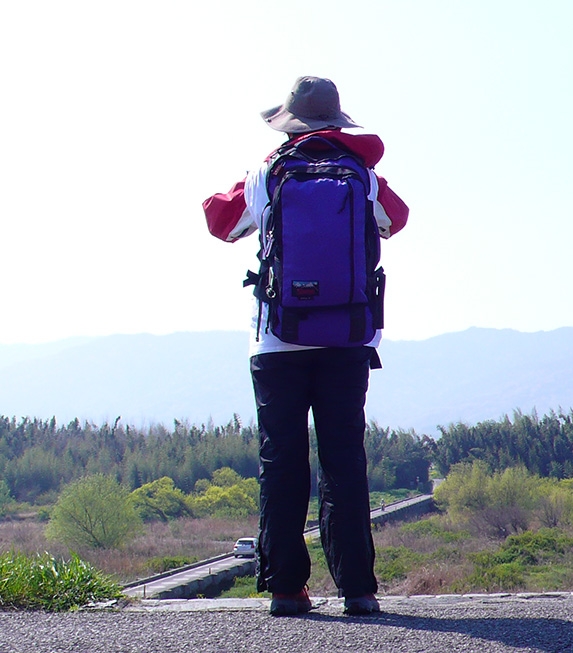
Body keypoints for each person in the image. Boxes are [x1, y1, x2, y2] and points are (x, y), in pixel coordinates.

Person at [202, 76, 408, 616]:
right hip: (347, 338)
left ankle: (286, 589)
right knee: (345, 457)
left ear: (290, 122)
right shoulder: (363, 175)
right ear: (339, 122)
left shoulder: (267, 172)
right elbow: (397, 220)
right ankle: (358, 590)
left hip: (277, 339)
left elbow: (220, 224)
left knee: (282, 459)